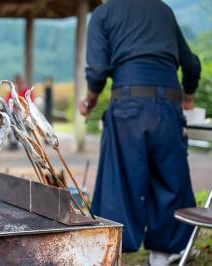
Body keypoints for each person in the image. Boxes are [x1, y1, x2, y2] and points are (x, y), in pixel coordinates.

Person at [78, 0, 201, 265]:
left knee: (120, 178)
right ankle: (163, 254)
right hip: (168, 104)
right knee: (170, 177)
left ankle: (113, 248)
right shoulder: (163, 10)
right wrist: (188, 97)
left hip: (128, 105)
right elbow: (191, 64)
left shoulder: (103, 14)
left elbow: (97, 70)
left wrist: (89, 101)